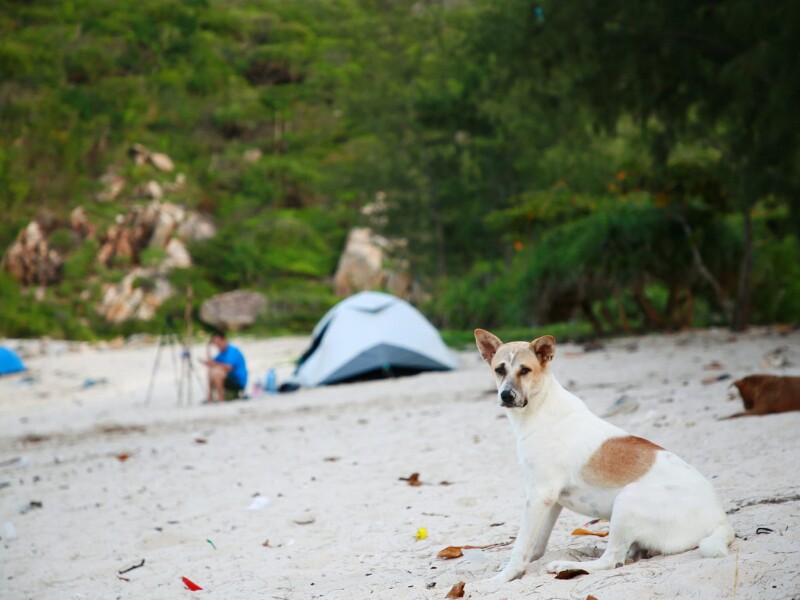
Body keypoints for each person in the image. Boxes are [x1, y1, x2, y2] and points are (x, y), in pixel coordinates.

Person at [202, 331, 248, 402]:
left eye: (218, 343)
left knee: (217, 372)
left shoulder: (232, 351)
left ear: (224, 340)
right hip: (228, 379)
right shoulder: (221, 354)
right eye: (215, 344)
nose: (217, 345)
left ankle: (221, 398)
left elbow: (229, 367)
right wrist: (208, 347)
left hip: (237, 381)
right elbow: (212, 364)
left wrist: (214, 364)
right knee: (211, 371)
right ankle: (210, 397)